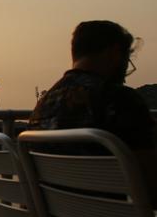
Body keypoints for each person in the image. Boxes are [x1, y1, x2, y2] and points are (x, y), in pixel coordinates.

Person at [28, 20, 157, 205]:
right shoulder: (119, 99)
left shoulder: (43, 106)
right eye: (126, 58)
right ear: (113, 53)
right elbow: (151, 190)